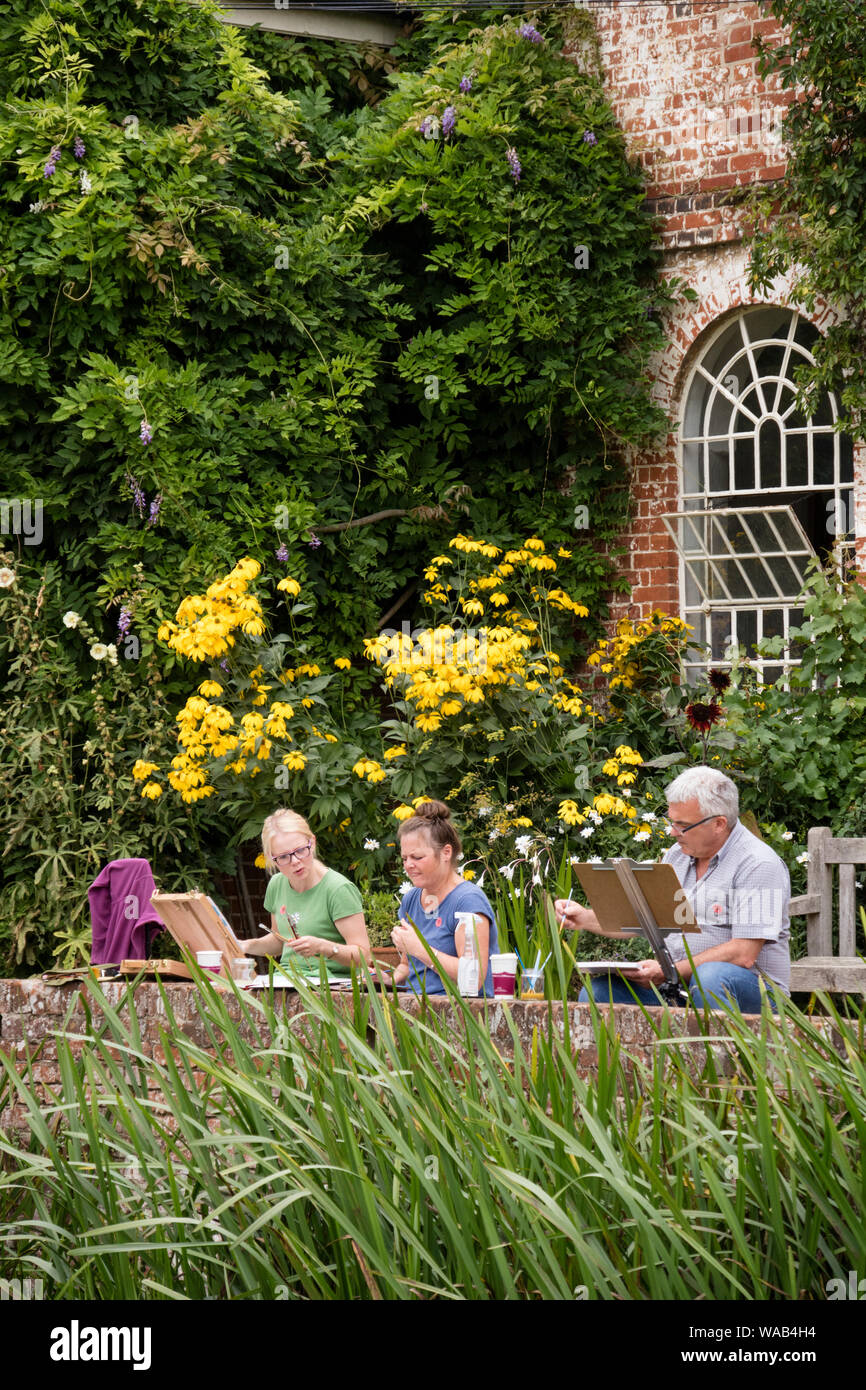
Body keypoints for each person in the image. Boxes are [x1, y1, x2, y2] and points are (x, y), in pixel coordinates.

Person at [554, 767, 791, 1012]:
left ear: (719, 824)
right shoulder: (678, 855)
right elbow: (645, 919)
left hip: (755, 996)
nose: (672, 832)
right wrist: (583, 918)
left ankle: (716, 1051)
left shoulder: (757, 863)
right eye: (671, 822)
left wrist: (669, 971)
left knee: (709, 978)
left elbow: (743, 953)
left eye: (682, 825)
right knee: (601, 991)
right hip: (679, 989)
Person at [244, 808, 371, 982]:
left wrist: (323, 947)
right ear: (271, 858)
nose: (295, 861)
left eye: (300, 850)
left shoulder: (338, 889)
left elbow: (363, 957)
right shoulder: (277, 884)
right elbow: (280, 940)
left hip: (331, 985)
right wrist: (247, 945)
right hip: (286, 981)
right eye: (283, 857)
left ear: (313, 842)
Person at [388, 800, 500, 996]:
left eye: (417, 857)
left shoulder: (468, 901)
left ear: (446, 852)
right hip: (416, 1011)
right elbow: (407, 967)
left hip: (463, 1015)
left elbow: (474, 979)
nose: (408, 865)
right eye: (405, 858)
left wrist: (421, 949)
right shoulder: (411, 899)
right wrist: (385, 979)